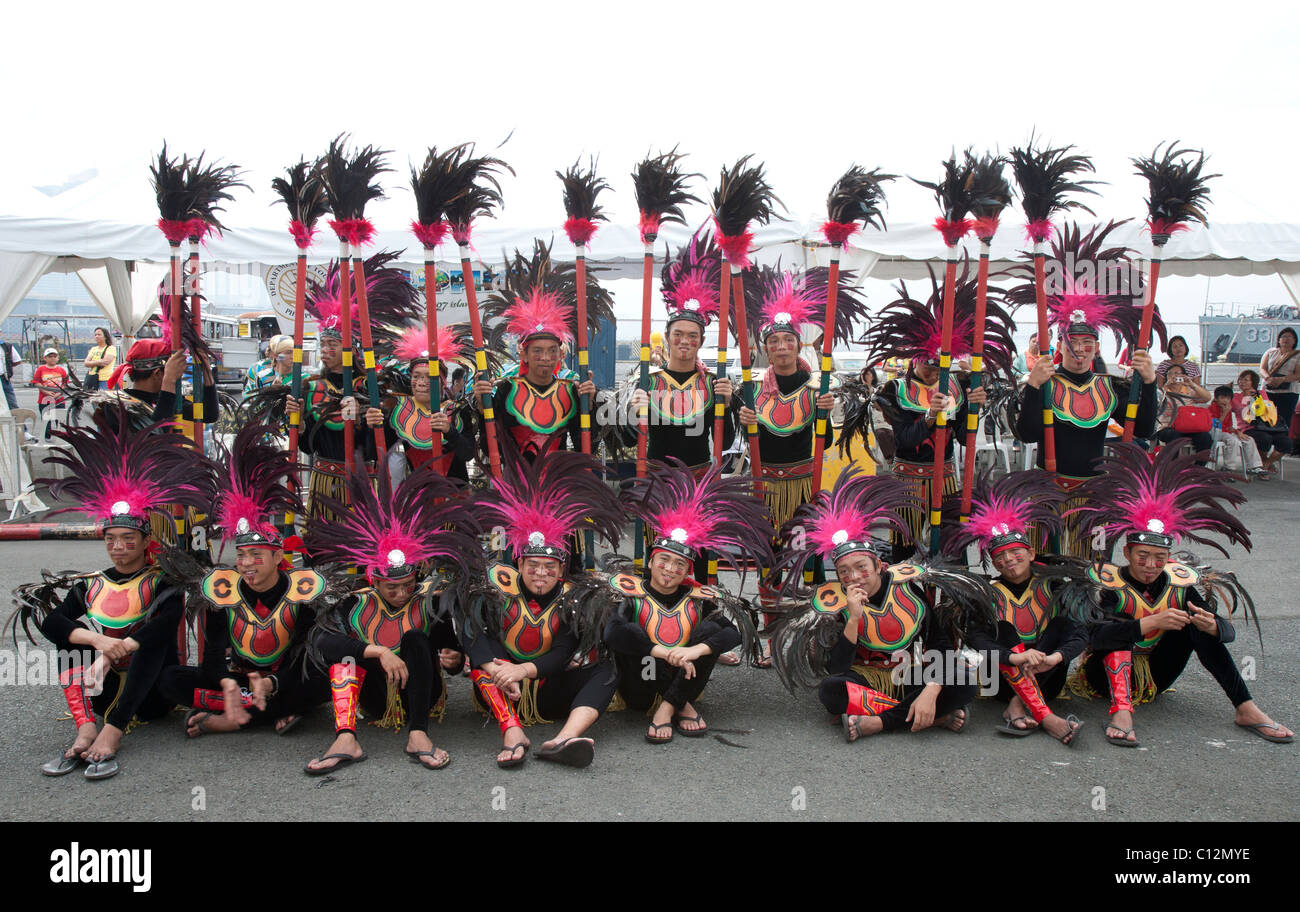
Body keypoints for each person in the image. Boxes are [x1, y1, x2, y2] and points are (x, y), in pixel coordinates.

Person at [13, 405, 214, 779]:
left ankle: (113, 731)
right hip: (100, 689)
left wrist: (111, 652)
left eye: (127, 539)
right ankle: (86, 725)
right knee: (68, 639)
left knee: (150, 643)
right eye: (111, 539)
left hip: (150, 693)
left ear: (145, 541)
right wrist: (98, 643)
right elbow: (53, 623)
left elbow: (162, 627)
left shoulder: (162, 580)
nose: (118, 547)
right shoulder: (92, 582)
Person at [1068, 443, 1292, 746]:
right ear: (1127, 552)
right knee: (1117, 627)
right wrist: (1149, 623)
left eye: (1159, 557)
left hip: (1157, 676)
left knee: (1195, 624)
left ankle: (1246, 708)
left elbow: (1226, 633)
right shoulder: (1109, 583)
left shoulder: (1178, 583)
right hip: (1102, 678)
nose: (1150, 565)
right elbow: (1094, 639)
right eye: (1142, 556)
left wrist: (1211, 625)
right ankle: (1122, 712)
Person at [769, 468, 989, 741]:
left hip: (908, 672)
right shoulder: (835, 603)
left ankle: (878, 722)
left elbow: (940, 646)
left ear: (880, 565)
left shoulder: (909, 590)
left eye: (861, 567)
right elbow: (837, 668)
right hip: (866, 679)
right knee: (831, 690)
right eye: (844, 572)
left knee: (965, 680)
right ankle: (933, 716)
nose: (853, 577)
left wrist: (932, 689)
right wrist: (852, 618)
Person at [303, 465, 482, 774]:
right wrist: (379, 652)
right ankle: (346, 739)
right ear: (375, 582)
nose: (402, 593)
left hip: (422, 697)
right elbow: (321, 641)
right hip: (375, 699)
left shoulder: (428, 601)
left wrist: (454, 660)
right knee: (344, 656)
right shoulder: (355, 603)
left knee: (415, 637)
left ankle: (418, 734)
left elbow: (452, 651)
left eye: (408, 584)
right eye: (392, 587)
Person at [158, 423, 328, 736]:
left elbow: (306, 653)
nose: (246, 564)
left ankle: (229, 717)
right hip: (240, 680)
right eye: (242, 555)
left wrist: (271, 682)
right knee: (170, 679)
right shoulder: (224, 591)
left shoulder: (301, 590)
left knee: (321, 680)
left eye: (257, 556)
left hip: (283, 680)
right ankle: (265, 711)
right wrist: (226, 683)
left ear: (278, 558)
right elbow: (212, 657)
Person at [460, 447, 625, 769]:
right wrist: (499, 670)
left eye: (550, 567)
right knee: (483, 663)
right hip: (499, 691)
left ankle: (564, 738)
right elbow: (471, 633)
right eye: (533, 565)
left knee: (607, 671)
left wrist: (521, 670)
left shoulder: (574, 596)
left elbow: (563, 651)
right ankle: (512, 732)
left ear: (562, 569)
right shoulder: (495, 588)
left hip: (551, 695)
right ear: (519, 563)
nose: (541, 573)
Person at [735, 265, 865, 663]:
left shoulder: (817, 389)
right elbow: (725, 439)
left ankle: (814, 631)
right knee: (768, 558)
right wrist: (737, 416)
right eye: (774, 341)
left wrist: (830, 408)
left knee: (805, 557)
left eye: (788, 340)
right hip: (764, 484)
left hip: (803, 486)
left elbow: (844, 423)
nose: (782, 347)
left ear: (798, 346)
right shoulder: (749, 389)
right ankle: (771, 634)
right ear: (767, 348)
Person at [1011, 221, 1164, 558]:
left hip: (1095, 494)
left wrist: (1150, 384)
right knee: (1046, 564)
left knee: (1091, 565)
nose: (1079, 351)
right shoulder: (1046, 382)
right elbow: (1027, 433)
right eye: (1072, 343)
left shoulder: (1109, 387)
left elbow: (1146, 427)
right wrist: (1034, 387)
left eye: (1086, 343)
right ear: (1059, 347)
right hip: (1048, 491)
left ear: (1096, 349)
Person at [603, 459, 767, 742]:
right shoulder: (631, 592)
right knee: (633, 631)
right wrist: (664, 652)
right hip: (639, 687)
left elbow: (734, 633)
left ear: (687, 570)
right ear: (652, 562)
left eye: (679, 565)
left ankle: (667, 708)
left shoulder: (697, 597)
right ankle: (682, 704)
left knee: (711, 632)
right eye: (664, 560)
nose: (670, 569)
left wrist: (695, 651)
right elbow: (613, 633)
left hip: (687, 677)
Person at [860, 261, 1014, 555]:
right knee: (903, 548)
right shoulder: (895, 390)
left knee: (951, 549)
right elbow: (904, 440)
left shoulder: (954, 385)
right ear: (913, 358)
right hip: (908, 478)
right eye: (927, 365)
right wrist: (930, 415)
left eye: (938, 366)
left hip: (945, 479)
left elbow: (960, 436)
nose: (933, 373)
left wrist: (973, 409)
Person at [940, 469, 1086, 746]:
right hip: (1000, 680)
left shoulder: (1055, 586)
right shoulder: (987, 592)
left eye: (1015, 552)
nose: (1008, 560)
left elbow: (1078, 633)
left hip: (1048, 676)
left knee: (1059, 626)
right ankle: (1045, 717)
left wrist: (1055, 658)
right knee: (1003, 629)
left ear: (1031, 553)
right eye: (999, 556)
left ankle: (1018, 707)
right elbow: (976, 638)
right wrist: (1014, 657)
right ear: (993, 563)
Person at [627, 232, 737, 585]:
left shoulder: (711, 383)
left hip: (699, 479)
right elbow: (631, 437)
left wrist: (728, 405)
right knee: (660, 551)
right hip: (657, 480)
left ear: (701, 341)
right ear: (668, 337)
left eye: (693, 336)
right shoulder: (648, 380)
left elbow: (728, 438)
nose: (685, 341)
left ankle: (703, 608)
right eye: (678, 335)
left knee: (700, 551)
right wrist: (634, 411)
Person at [285, 252, 423, 523]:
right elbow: (307, 447)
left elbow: (380, 446)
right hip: (324, 481)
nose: (325, 351)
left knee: (360, 551)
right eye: (323, 345)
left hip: (362, 481)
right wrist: (297, 422)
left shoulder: (372, 387)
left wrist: (373, 421)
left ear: (351, 350)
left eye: (332, 345)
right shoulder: (309, 387)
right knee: (321, 549)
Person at [474, 242, 605, 464]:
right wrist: (481, 407)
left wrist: (589, 405)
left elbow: (587, 447)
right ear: (523, 354)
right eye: (537, 351)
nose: (545, 358)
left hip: (558, 487)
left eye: (551, 351)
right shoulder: (506, 390)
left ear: (560, 354)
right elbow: (490, 450)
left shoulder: (570, 391)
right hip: (516, 486)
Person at [371, 321, 477, 485]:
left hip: (456, 499)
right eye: (416, 376)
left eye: (429, 377)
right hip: (419, 499)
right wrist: (373, 426)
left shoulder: (457, 410)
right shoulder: (400, 409)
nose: (421, 382)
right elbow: (375, 451)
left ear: (442, 382)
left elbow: (468, 454)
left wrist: (450, 431)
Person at [1233, 369, 1291, 474]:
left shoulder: (1261, 393)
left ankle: (1266, 464)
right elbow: (1242, 411)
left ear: (1253, 383)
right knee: (1264, 439)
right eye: (1240, 379)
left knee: (1286, 442)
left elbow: (1265, 410)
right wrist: (1246, 398)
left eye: (1246, 380)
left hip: (1266, 426)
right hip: (1248, 428)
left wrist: (1255, 397)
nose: (1242, 382)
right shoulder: (1236, 397)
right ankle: (1262, 464)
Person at [1154, 363, 1213, 461]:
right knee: (1174, 437)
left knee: (1205, 438)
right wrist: (1166, 386)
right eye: (1170, 374)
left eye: (1177, 373)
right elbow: (1156, 401)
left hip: (1189, 428)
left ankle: (1198, 469)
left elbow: (1207, 397)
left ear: (1184, 376)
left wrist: (1192, 384)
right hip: (1167, 427)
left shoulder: (1189, 391)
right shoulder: (1162, 391)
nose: (1174, 376)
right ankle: (1173, 468)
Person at [1209, 384, 1265, 477]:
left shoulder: (1228, 407)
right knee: (1233, 440)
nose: (1225, 401)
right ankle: (1229, 467)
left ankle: (1254, 466)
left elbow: (1229, 426)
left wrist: (1238, 432)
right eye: (1222, 398)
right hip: (1216, 432)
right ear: (1216, 398)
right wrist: (1225, 412)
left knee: (1249, 439)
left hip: (1227, 431)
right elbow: (1216, 425)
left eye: (1228, 399)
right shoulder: (1212, 408)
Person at [1260, 326, 1300, 430]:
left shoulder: (1298, 355)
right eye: (1283, 336)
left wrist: (1282, 379)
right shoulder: (1270, 352)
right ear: (1278, 339)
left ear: (1294, 340)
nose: (1286, 339)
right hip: (1269, 390)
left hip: (1289, 392)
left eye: (1289, 337)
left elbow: (1298, 374)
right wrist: (1268, 378)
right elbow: (1262, 369)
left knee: (1285, 420)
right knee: (1265, 418)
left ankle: (1282, 444)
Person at [30, 347, 69, 438]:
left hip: (59, 400)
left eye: (54, 356)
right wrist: (46, 392)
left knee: (60, 421)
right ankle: (47, 439)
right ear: (45, 358)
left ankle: (61, 438)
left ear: (57, 358)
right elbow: (36, 382)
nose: (52, 358)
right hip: (44, 400)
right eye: (50, 356)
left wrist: (59, 393)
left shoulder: (61, 370)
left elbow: (65, 383)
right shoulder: (41, 369)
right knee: (46, 422)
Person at [242, 333, 292, 398]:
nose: (292, 356)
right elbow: (249, 394)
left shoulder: (297, 374)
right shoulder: (257, 368)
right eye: (288, 352)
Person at [81, 327, 116, 392]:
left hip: (105, 379)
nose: (96, 336)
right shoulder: (93, 349)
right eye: (95, 335)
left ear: (105, 336)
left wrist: (92, 363)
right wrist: (99, 361)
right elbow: (86, 363)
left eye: (99, 334)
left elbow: (105, 362)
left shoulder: (111, 348)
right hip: (92, 378)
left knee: (103, 399)